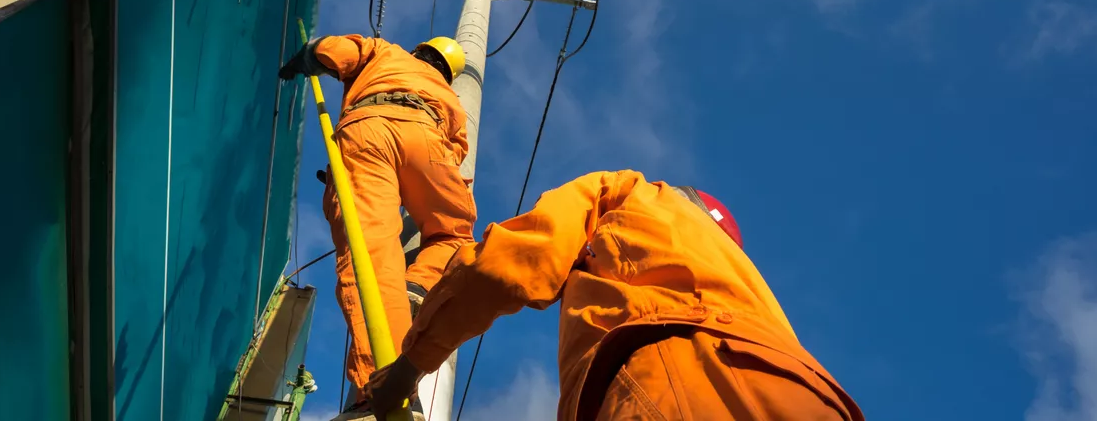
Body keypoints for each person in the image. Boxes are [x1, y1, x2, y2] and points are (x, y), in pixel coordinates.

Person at [365, 170, 864, 421]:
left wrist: (412, 364)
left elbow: (511, 264)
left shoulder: (630, 192)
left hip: (683, 379)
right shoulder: (741, 280)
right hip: (819, 398)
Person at [279, 34, 477, 421]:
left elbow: (340, 52)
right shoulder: (451, 101)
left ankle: (378, 392)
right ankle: (419, 286)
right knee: (454, 233)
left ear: (420, 51)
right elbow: (454, 154)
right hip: (428, 137)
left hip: (367, 130)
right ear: (449, 75)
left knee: (373, 259)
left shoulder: (386, 52)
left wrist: (307, 57)